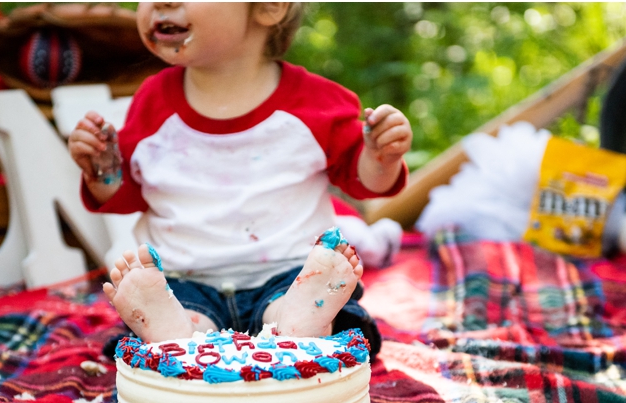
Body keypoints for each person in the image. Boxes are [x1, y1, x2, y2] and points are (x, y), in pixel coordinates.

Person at [68, 2, 412, 357]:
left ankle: (297, 323)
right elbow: (129, 195)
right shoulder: (152, 103)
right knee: (177, 313)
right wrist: (102, 169)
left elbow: (363, 181)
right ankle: (175, 332)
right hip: (183, 283)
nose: (161, 3)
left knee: (321, 309)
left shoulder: (315, 102)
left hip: (293, 276)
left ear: (268, 7)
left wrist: (380, 157)